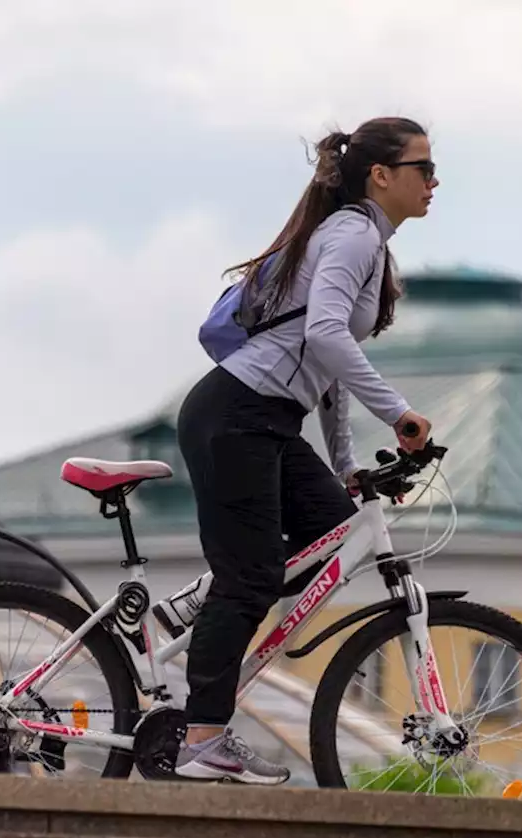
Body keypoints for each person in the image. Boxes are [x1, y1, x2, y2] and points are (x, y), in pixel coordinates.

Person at [171, 116, 438, 784]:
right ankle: (202, 737)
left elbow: (326, 370)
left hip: (266, 418)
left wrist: (346, 461)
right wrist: (399, 410)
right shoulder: (352, 233)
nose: (435, 182)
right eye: (423, 168)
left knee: (331, 532)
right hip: (237, 413)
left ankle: (203, 594)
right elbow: (324, 336)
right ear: (382, 176)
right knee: (254, 576)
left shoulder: (367, 243)